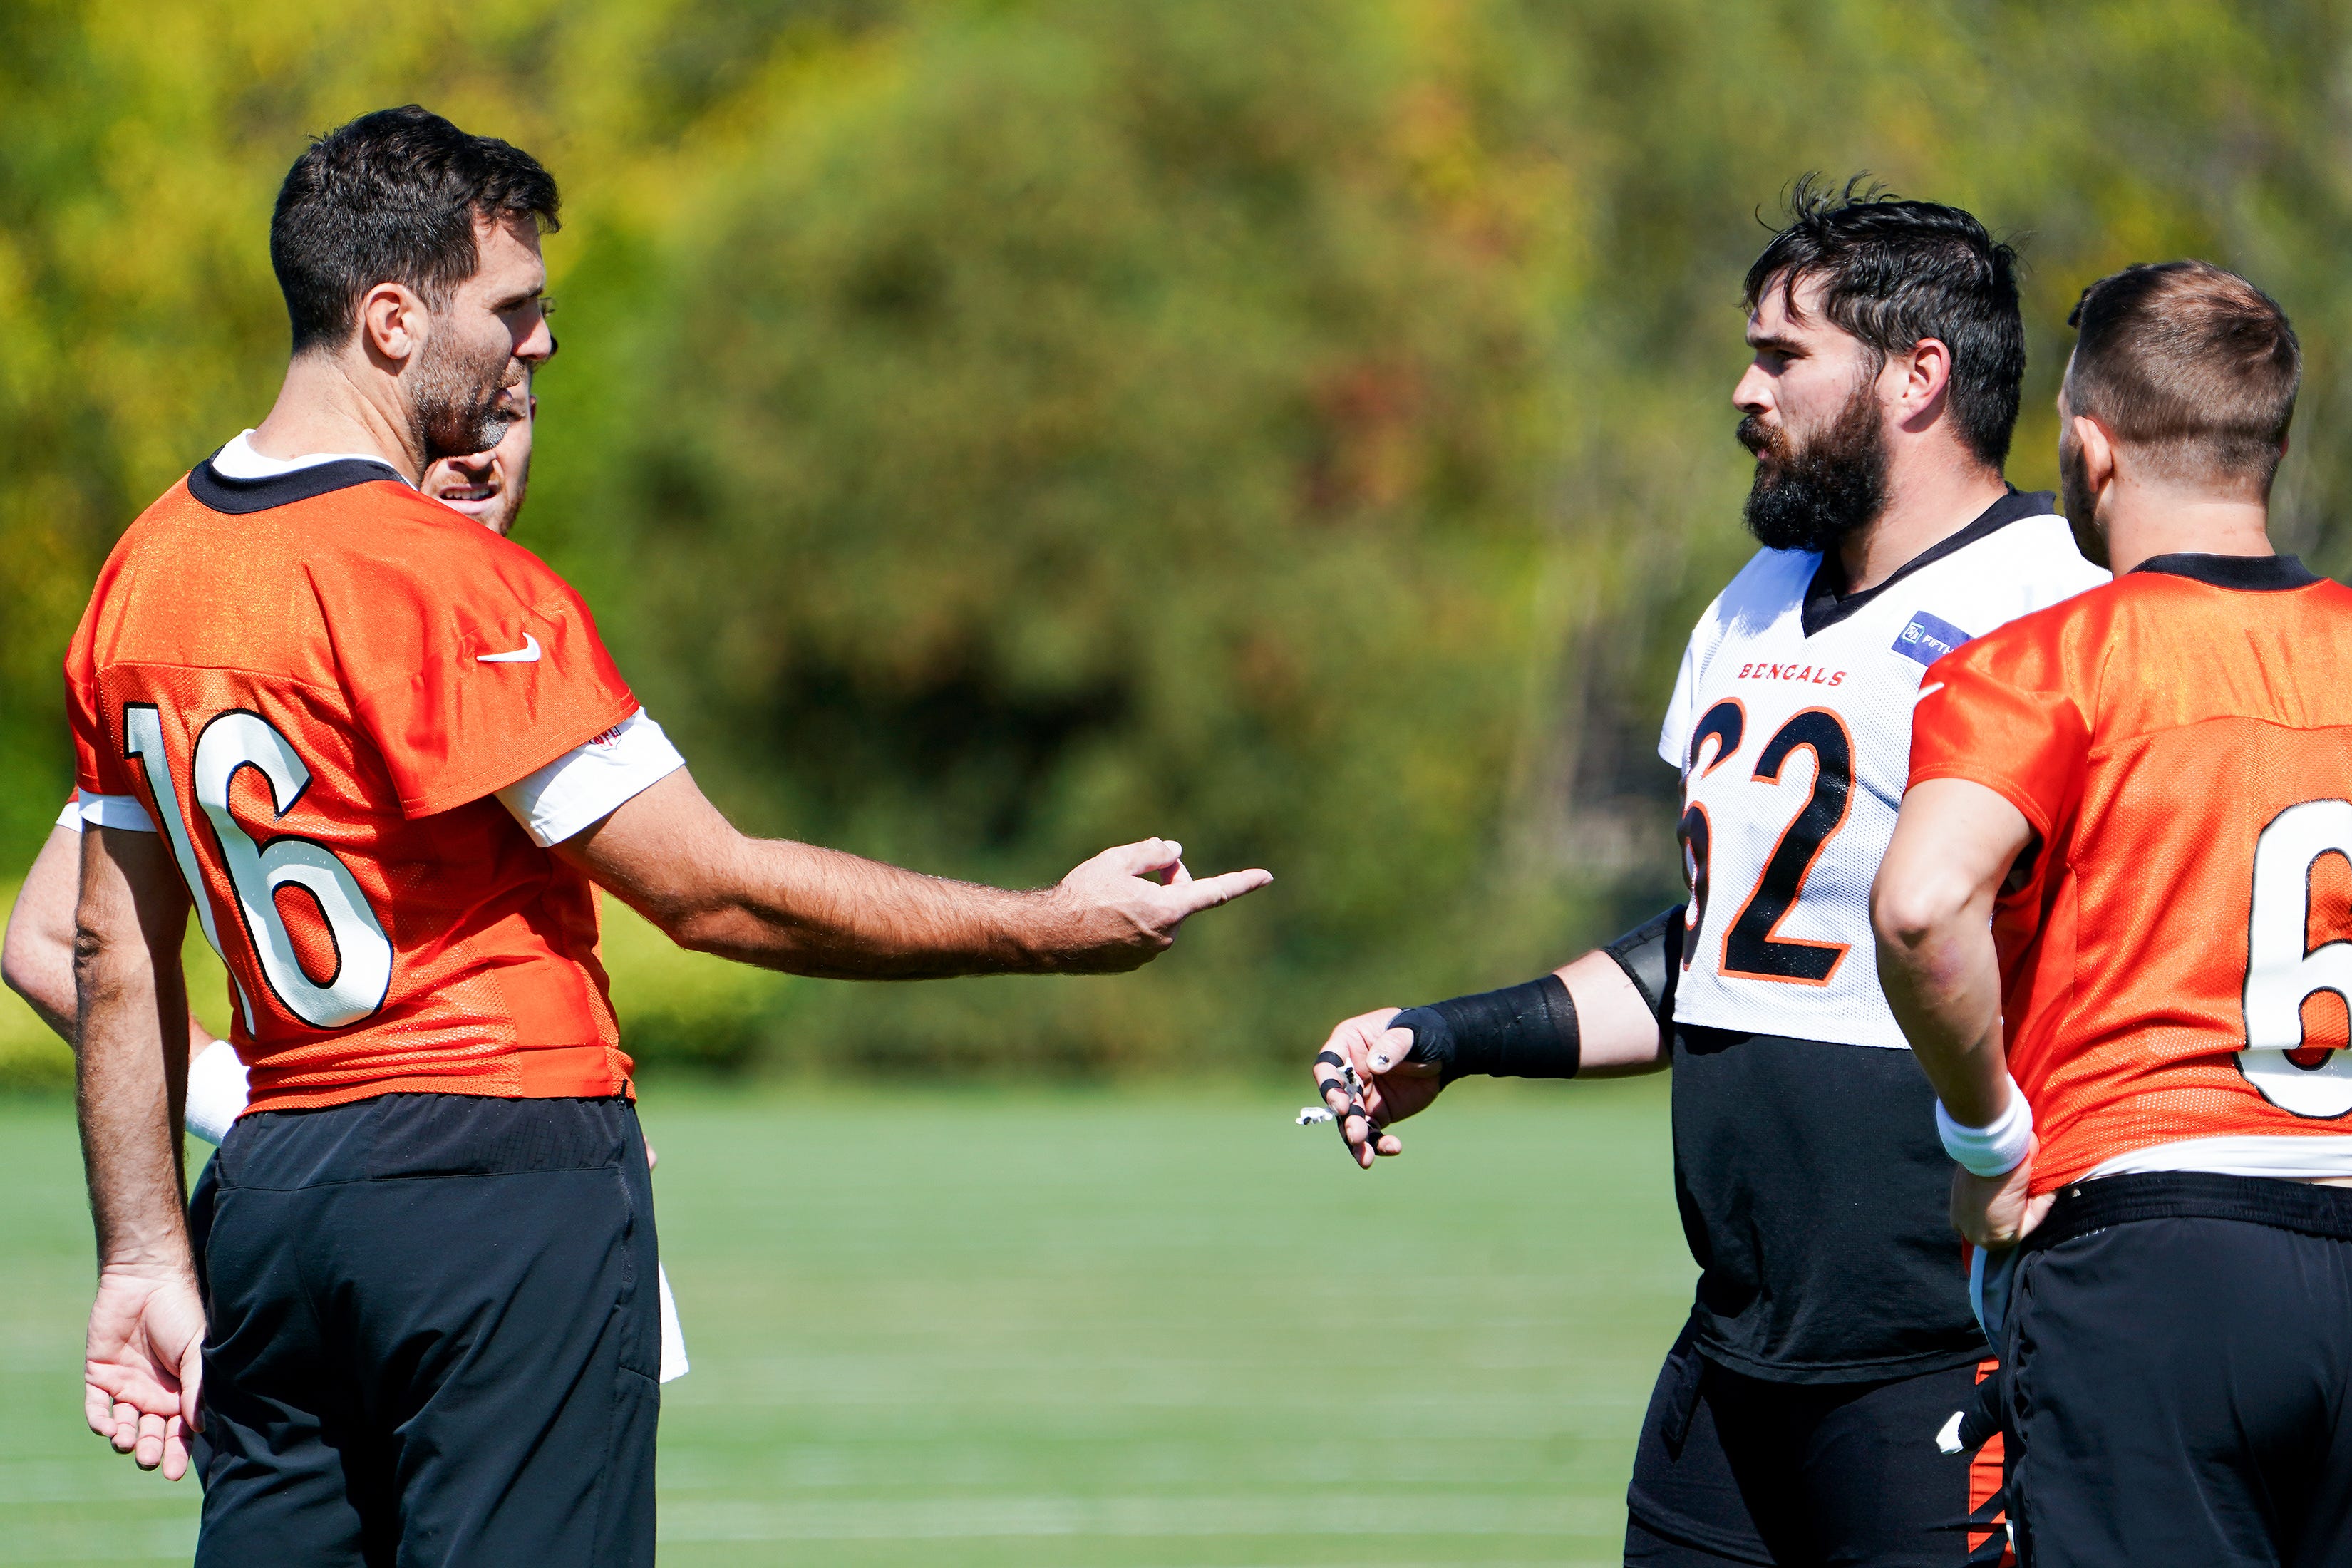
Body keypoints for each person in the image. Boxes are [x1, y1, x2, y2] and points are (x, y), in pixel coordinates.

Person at [69, 105, 1268, 1567]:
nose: (541, 346)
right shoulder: (448, 581)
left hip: (269, 1192)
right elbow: (709, 893)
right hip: (494, 1177)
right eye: (512, 310)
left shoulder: (144, 568)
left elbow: (108, 949)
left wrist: (140, 1243)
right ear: (392, 319)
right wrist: (1044, 924)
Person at [1306, 179, 2105, 1567]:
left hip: (1947, 1346)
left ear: (1921, 375)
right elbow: (1713, 944)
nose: (1745, 389)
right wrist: (1454, 1034)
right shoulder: (1750, 598)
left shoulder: (2057, 609)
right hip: (1737, 1348)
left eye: (1784, 355)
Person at [7, 376, 697, 1380]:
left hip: (296, 1200)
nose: (477, 450)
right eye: (454, 416)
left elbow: (43, 940)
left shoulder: (223, 595)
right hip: (482, 1195)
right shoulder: (421, 610)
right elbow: (709, 892)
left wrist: (251, 1111)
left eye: (509, 415)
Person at [1874, 262, 2352, 1566]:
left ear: (2089, 449)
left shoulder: (2043, 663)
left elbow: (1920, 909)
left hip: (2155, 1253)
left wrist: (1985, 1145)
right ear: (2275, 445)